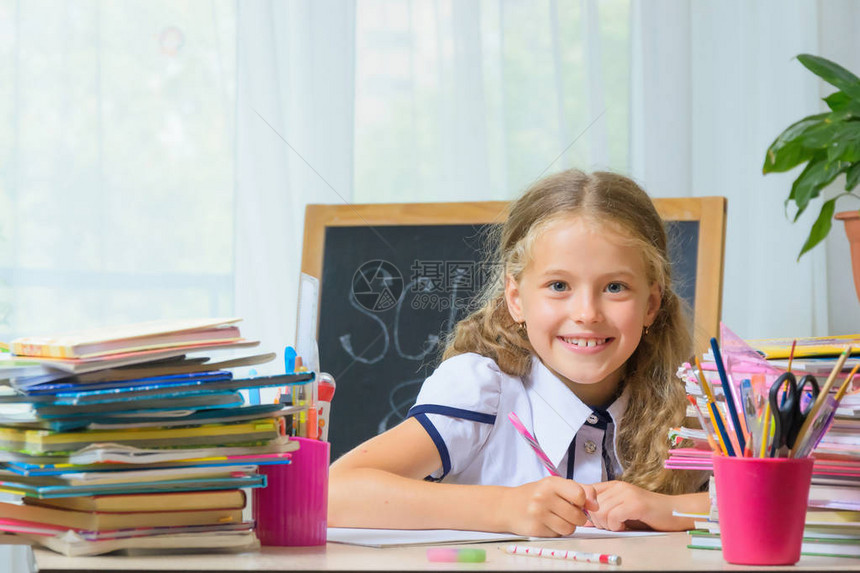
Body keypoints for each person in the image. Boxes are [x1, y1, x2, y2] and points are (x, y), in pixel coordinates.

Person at [328, 169, 708, 536]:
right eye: (559, 285)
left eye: (615, 287)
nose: (587, 313)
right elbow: (334, 494)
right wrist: (503, 508)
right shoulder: (483, 393)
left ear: (651, 304)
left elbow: (768, 502)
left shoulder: (686, 404)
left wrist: (666, 509)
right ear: (516, 299)